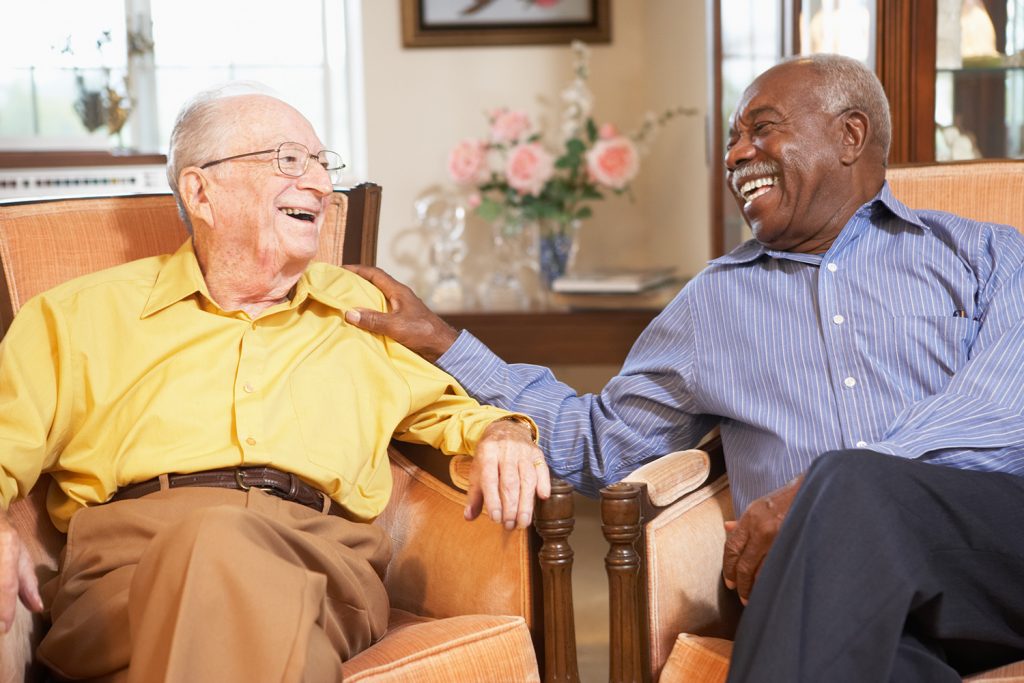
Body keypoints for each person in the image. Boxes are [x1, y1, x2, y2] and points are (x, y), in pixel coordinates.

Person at [344, 54, 1024, 680]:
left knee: (846, 482)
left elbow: (1005, 409)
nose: (735, 154)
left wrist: (811, 496)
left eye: (762, 128)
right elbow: (601, 443)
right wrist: (443, 340)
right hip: (833, 596)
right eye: (732, 139)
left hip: (991, 559)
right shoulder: (713, 303)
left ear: (850, 135)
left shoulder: (988, 253)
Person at [0, 86, 550, 681]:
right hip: (126, 567)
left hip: (321, 560)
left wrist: (504, 431)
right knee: (257, 612)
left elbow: (449, 410)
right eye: (289, 159)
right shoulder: (75, 316)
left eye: (322, 163)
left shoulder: (359, 310)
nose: (319, 184)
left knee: (221, 549)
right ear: (200, 191)